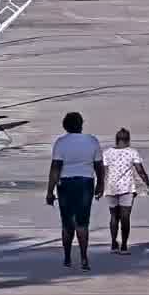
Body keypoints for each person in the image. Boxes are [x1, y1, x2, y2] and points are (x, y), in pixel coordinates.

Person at [45, 111, 104, 271]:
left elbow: (55, 168)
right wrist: (101, 185)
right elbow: (99, 165)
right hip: (86, 183)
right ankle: (84, 258)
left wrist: (50, 191)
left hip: (65, 184)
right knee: (83, 223)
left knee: (67, 223)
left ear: (65, 125)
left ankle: (67, 258)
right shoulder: (92, 141)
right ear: (81, 124)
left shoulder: (60, 142)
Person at [102, 128, 149, 255]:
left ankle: (114, 244)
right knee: (125, 217)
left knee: (114, 216)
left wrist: (99, 187)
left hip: (111, 188)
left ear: (116, 140)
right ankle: (124, 246)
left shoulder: (107, 152)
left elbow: (103, 172)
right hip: (127, 189)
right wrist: (148, 185)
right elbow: (140, 171)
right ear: (128, 140)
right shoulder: (132, 152)